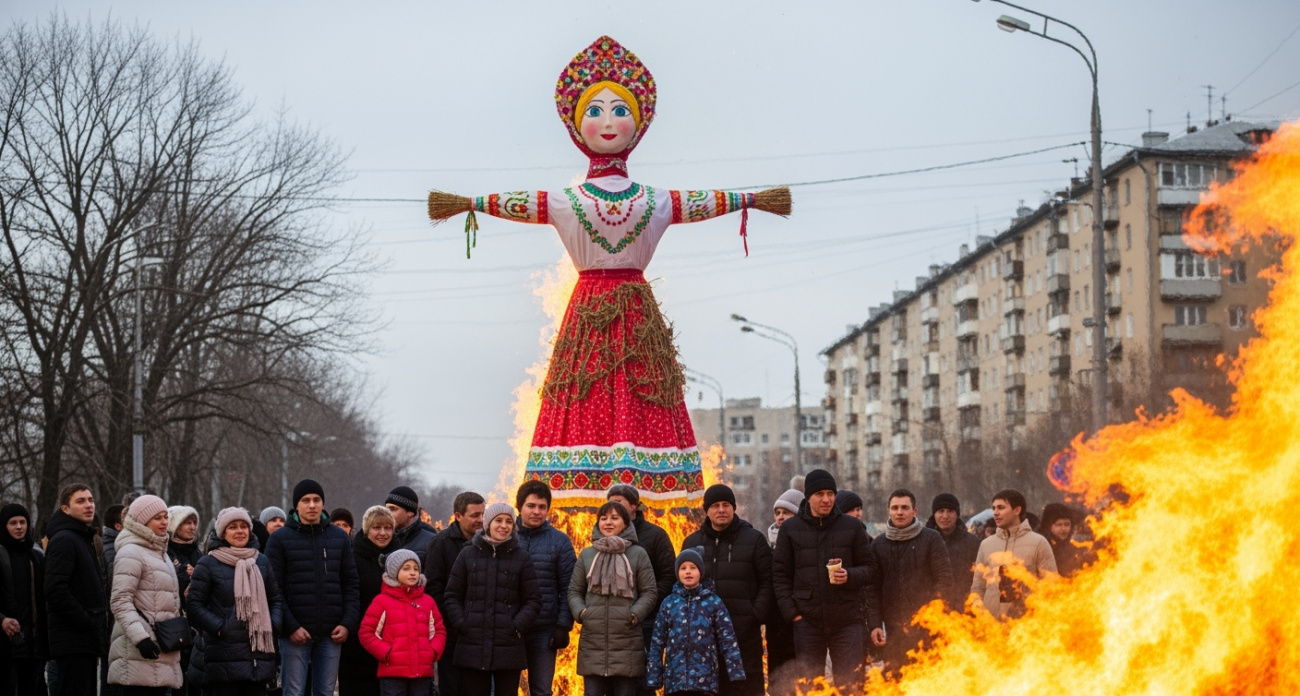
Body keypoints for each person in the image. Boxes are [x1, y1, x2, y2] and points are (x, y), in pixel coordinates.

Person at [427, 33, 789, 533]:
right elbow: (518, 201)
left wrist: (749, 198)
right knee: (600, 404)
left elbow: (706, 199)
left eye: (619, 110)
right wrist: (470, 203)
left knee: (619, 405)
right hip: (614, 313)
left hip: (619, 317)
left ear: (637, 124)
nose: (607, 120)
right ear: (578, 127)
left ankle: (642, 525)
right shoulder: (571, 199)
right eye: (594, 110)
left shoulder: (649, 199)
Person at [771, 469, 876, 692]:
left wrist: (849, 575)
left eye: (830, 493)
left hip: (847, 620)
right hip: (807, 621)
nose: (826, 499)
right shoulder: (791, 529)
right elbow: (780, 575)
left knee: (850, 686)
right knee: (811, 686)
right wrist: (793, 613)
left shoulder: (852, 526)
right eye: (819, 494)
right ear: (808, 497)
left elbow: (870, 569)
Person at [265, 479, 361, 696]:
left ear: (323, 503)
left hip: (331, 633)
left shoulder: (339, 538)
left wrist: (347, 623)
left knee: (325, 692)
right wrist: (290, 627)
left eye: (316, 500)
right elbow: (273, 589)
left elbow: (351, 584)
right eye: (305, 500)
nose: (312, 505)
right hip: (295, 635)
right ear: (296, 505)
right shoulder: (279, 540)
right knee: (294, 692)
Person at [680, 484, 770, 696]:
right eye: (715, 505)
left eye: (726, 505)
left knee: (745, 688)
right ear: (706, 510)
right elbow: (681, 586)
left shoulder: (754, 540)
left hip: (743, 636)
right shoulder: (692, 543)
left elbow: (768, 582)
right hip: (703, 639)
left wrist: (754, 615)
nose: (721, 510)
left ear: (734, 508)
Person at [443, 504, 541, 696]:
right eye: (498, 520)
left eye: (509, 522)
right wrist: (463, 623)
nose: (503, 526)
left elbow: (533, 600)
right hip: (473, 644)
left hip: (509, 645)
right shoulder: (467, 554)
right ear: (488, 523)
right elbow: (452, 595)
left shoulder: (522, 558)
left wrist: (516, 626)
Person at [187, 507, 285, 696]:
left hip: (258, 656)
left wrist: (272, 625)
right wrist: (220, 627)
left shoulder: (261, 561)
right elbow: (194, 606)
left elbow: (275, 599)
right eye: (233, 527)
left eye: (243, 526)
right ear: (223, 532)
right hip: (222, 656)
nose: (240, 531)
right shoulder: (208, 563)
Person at [569, 502, 657, 696]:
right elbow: (574, 590)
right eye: (604, 518)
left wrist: (634, 614)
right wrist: (582, 613)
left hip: (627, 641)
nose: (608, 522)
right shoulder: (587, 554)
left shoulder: (637, 554)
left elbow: (650, 591)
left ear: (625, 523)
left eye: (615, 518)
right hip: (593, 641)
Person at [867, 489, 952, 674]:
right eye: (895, 508)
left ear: (914, 511)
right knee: (897, 681)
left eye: (905, 508)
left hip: (927, 626)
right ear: (888, 511)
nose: (899, 512)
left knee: (929, 680)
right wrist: (874, 624)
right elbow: (872, 589)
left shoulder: (931, 538)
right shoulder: (878, 544)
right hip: (893, 629)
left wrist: (935, 613)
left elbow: (944, 579)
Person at [107, 494, 185, 694]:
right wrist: (141, 638)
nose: (164, 522)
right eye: (157, 518)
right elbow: (120, 601)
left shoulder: (160, 552)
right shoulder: (131, 552)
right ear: (142, 520)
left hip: (161, 647)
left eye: (165, 516)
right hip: (139, 650)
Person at [646, 548, 745, 696]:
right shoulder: (669, 603)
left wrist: (736, 673)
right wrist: (654, 676)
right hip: (675, 681)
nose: (688, 572)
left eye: (693, 568)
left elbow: (728, 640)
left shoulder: (713, 602)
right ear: (677, 573)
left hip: (704, 681)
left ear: (700, 572)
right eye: (683, 568)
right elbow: (657, 642)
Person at [513, 481, 577, 696]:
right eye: (531, 506)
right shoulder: (505, 537)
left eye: (542, 507)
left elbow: (569, 586)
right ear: (519, 506)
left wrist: (562, 626)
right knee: (504, 689)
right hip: (510, 629)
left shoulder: (559, 542)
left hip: (544, 631)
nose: (536, 512)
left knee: (541, 690)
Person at [44, 483, 107, 695]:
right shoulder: (65, 539)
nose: (88, 505)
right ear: (65, 509)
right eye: (80, 501)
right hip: (73, 640)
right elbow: (55, 590)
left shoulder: (81, 537)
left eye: (90, 500)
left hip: (84, 639)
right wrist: (86, 620)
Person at [606, 483, 675, 672]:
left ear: (633, 506)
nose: (613, 508)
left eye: (619, 502)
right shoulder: (605, 537)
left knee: (644, 679)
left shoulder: (656, 536)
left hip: (648, 622)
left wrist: (644, 605)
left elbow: (668, 577)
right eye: (610, 503)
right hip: (614, 623)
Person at [359, 549, 446, 696]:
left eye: (416, 569)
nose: (412, 573)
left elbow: (439, 631)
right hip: (393, 674)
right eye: (406, 568)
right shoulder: (382, 601)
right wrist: (387, 653)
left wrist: (432, 651)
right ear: (394, 572)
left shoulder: (427, 601)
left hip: (421, 673)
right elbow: (366, 632)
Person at [425, 490, 484, 696]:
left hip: (480, 631)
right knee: (451, 686)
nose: (481, 520)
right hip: (450, 630)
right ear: (458, 516)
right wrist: (454, 619)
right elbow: (433, 587)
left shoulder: (488, 542)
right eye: (475, 515)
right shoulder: (441, 543)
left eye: (483, 514)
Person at [970, 490, 1057, 619]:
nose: (995, 513)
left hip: (1027, 626)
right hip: (991, 627)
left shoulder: (1038, 543)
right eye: (994, 508)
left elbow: (1051, 584)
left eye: (1001, 508)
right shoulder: (986, 544)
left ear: (1017, 510)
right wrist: (979, 609)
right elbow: (978, 586)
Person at [339, 506, 397, 696]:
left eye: (388, 528)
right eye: (376, 528)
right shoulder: (351, 556)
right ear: (366, 529)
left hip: (393, 643)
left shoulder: (401, 557)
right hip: (357, 643)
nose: (383, 533)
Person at [1, 503, 47, 695]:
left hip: (33, 643)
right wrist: (1, 620)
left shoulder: (36, 555)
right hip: (6, 641)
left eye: (22, 522)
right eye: (13, 523)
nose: (19, 527)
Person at [764, 489, 802, 696]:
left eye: (786, 512)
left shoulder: (805, 544)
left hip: (799, 617)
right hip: (775, 620)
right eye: (777, 512)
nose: (780, 516)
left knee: (799, 674)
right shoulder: (767, 546)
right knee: (777, 675)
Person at [925, 493, 981, 610]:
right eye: (941, 511)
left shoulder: (973, 544)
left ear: (957, 514)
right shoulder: (923, 543)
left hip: (965, 611)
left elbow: (979, 579)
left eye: (950, 511)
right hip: (932, 612)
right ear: (934, 514)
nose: (945, 516)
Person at [1038, 503, 1086, 578]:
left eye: (1067, 524)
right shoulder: (1039, 547)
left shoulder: (1074, 549)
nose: (1063, 529)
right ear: (1049, 526)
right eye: (1059, 525)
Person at [386, 487, 436, 558]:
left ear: (410, 513)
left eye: (393, 509)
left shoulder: (431, 541)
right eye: (386, 509)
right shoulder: (382, 538)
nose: (387, 513)